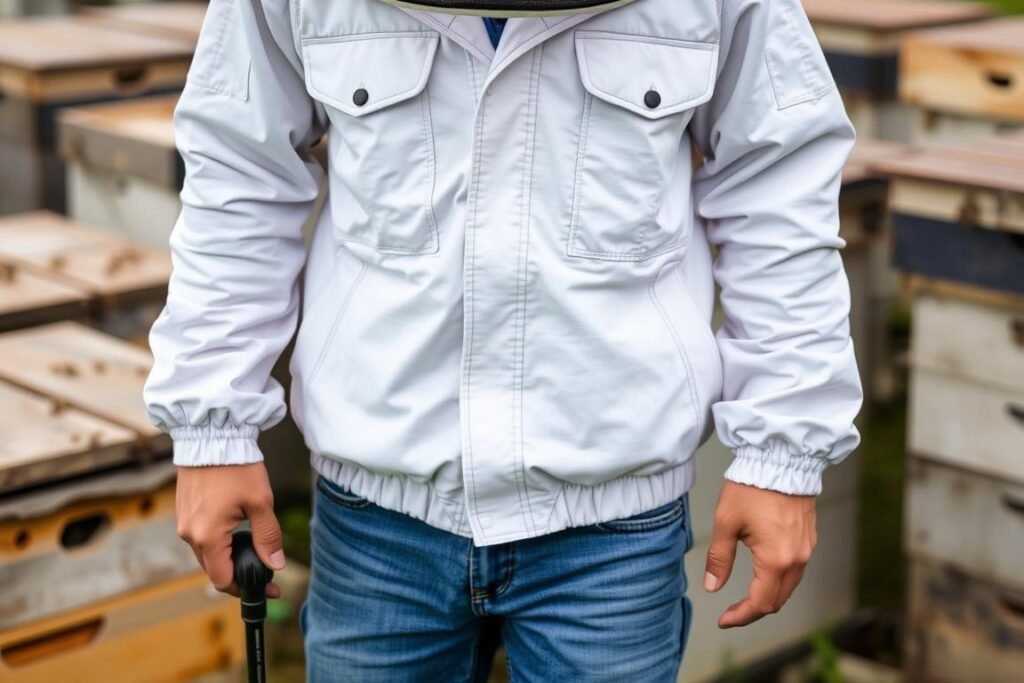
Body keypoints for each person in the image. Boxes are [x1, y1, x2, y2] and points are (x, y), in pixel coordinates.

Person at [144, 0, 862, 679]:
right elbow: (241, 173)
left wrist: (783, 453)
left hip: (612, 525)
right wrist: (214, 428)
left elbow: (777, 183)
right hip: (377, 521)